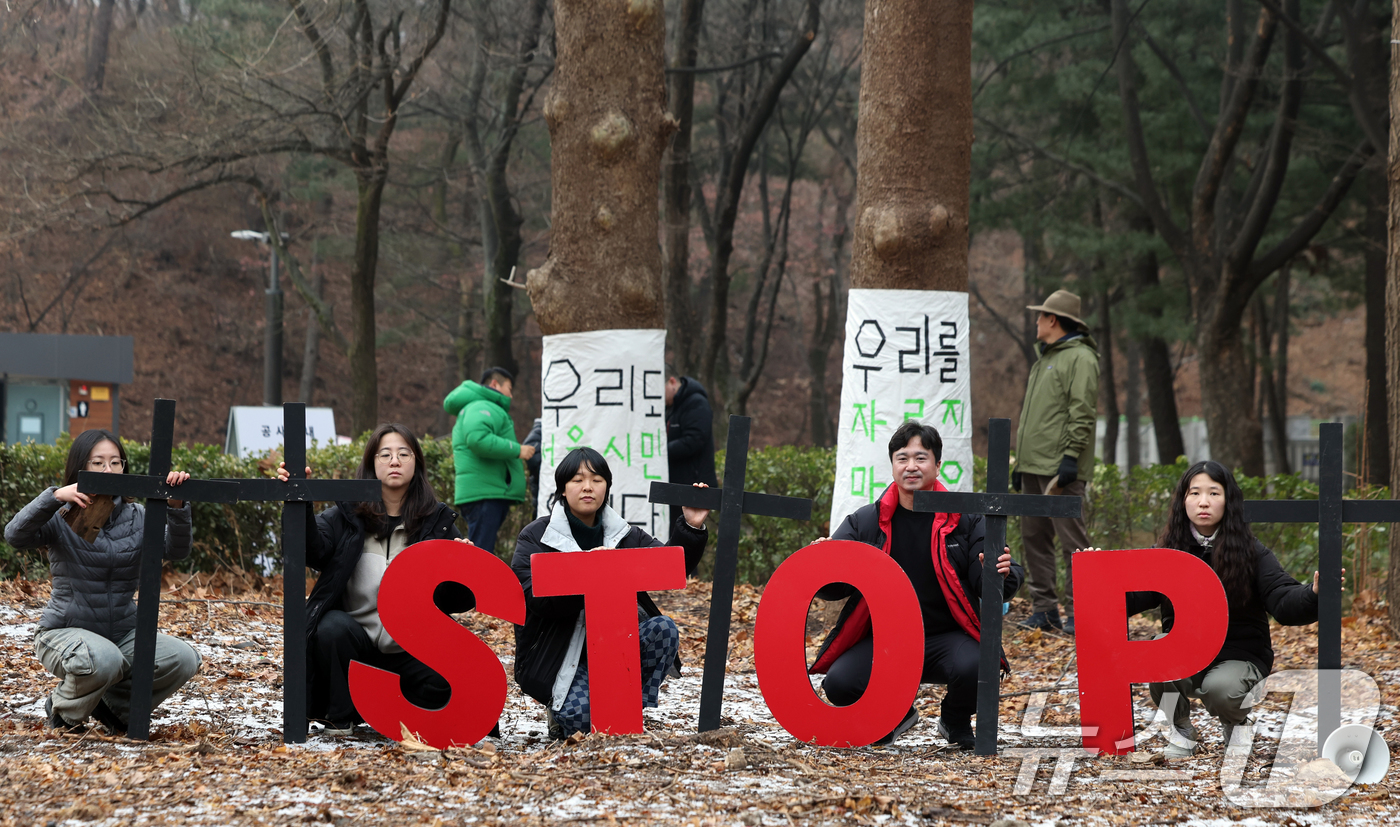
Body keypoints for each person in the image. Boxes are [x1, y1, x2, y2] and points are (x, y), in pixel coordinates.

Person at [810, 421, 1023, 749]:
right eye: (902, 458)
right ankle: (894, 714)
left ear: (937, 465)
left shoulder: (964, 519)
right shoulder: (866, 521)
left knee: (979, 666)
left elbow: (993, 582)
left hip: (947, 638)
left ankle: (954, 719)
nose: (911, 466)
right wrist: (821, 564)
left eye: (921, 458)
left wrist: (1001, 573)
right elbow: (834, 588)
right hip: (885, 639)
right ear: (892, 465)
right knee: (839, 683)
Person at [280, 424, 484, 736]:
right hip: (355, 647)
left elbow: (460, 601)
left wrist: (464, 570)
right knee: (331, 628)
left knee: (445, 683)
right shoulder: (346, 516)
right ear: (371, 464)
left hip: (412, 649)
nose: (395, 461)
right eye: (385, 454)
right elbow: (311, 549)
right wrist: (301, 501)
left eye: (404, 454)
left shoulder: (436, 523)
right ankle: (341, 717)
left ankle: (399, 713)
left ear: (416, 464)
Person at [1117, 461, 1321, 759]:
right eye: (1195, 493)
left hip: (1240, 656)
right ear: (1183, 500)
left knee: (1220, 689)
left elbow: (1281, 598)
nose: (1203, 502)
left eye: (1214, 493)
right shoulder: (1166, 551)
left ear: (1228, 500)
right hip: (1186, 652)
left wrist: (1313, 593)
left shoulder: (1251, 551)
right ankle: (1181, 731)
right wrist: (1096, 579)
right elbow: (1133, 596)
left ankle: (1237, 725)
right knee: (1157, 651)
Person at [4, 429, 200, 734]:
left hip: (122, 632)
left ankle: (115, 709)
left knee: (183, 659)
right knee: (104, 659)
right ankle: (64, 709)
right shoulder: (62, 515)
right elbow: (15, 535)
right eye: (98, 463)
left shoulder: (138, 516)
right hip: (64, 631)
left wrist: (176, 506)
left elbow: (176, 550)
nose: (108, 470)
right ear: (81, 467)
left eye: (115, 462)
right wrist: (54, 496)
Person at [511, 447, 711, 738]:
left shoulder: (625, 534)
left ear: (606, 487)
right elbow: (532, 597)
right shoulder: (536, 536)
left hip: (617, 645)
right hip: (558, 654)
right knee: (581, 722)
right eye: (578, 480)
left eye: (596, 480)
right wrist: (590, 572)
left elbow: (670, 566)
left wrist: (691, 525)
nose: (588, 487)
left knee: (663, 629)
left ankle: (627, 707)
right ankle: (562, 709)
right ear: (563, 489)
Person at [1013, 289, 1100, 635]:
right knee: (1034, 538)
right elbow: (1036, 418)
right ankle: (1045, 610)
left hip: (1061, 470)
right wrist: (1020, 464)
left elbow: (1082, 412)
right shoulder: (1045, 359)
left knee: (1073, 543)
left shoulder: (1081, 358)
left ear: (1053, 320)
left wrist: (1070, 458)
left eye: (1040, 316)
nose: (1036, 321)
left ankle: (1082, 613)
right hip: (1033, 466)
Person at [444, 367, 534, 552]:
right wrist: (518, 450)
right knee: (480, 554)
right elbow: (478, 440)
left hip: (485, 492)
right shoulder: (482, 406)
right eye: (509, 388)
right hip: (485, 493)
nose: (511, 395)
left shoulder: (480, 406)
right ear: (495, 384)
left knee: (479, 550)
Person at [665, 368, 717, 572]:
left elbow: (695, 439)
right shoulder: (674, 406)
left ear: (672, 382)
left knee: (688, 533)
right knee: (675, 532)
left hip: (694, 484)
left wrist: (661, 451)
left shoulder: (696, 403)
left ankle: (688, 576)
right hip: (677, 483)